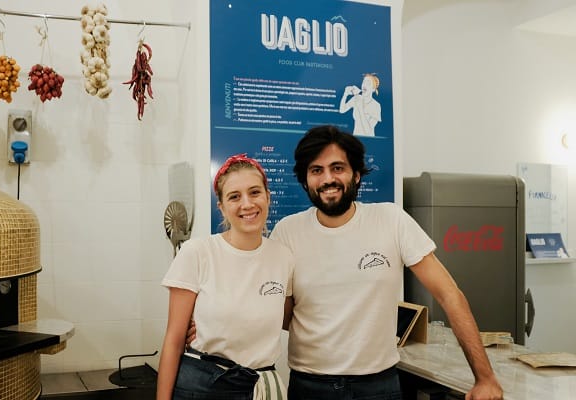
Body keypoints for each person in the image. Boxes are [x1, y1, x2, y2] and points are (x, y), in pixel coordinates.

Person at [269, 125, 503, 400]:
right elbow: (280, 316)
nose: (328, 179)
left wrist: (485, 378)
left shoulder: (391, 220)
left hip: (378, 387)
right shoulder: (287, 231)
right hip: (309, 386)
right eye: (316, 170)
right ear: (305, 180)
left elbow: (449, 295)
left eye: (338, 168)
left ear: (356, 175)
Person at [156, 154, 294, 400]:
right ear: (221, 206)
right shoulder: (198, 252)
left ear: (268, 196)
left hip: (261, 385)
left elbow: (284, 318)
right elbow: (174, 340)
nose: (247, 204)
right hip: (203, 384)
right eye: (234, 196)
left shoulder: (283, 257)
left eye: (254, 192)